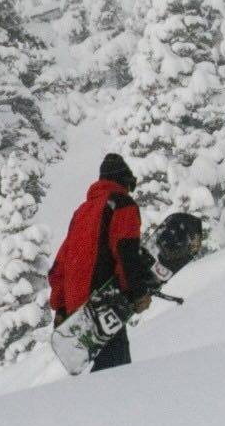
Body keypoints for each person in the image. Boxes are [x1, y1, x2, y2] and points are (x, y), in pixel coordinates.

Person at [47, 154, 162, 372]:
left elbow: (60, 265)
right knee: (116, 372)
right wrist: (138, 292)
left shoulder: (82, 212)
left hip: (76, 307)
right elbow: (126, 252)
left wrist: (61, 307)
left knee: (109, 368)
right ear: (124, 181)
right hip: (104, 302)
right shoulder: (122, 204)